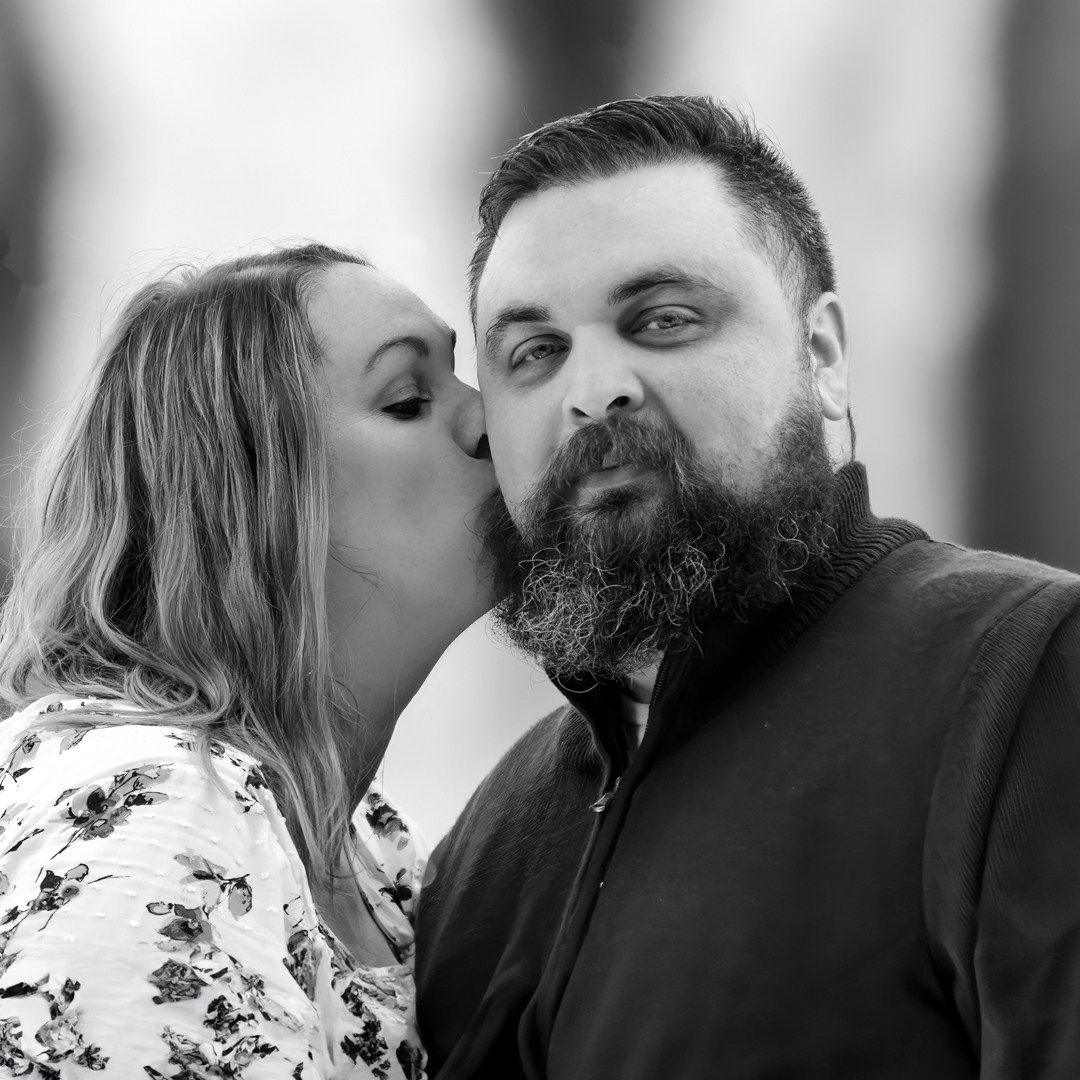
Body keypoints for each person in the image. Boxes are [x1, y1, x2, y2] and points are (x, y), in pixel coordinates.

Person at [413, 95, 1080, 1078]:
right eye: (535, 352)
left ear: (824, 359)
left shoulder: (1025, 678)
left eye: (664, 320)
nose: (594, 388)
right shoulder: (483, 845)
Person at [0, 242, 495, 1078]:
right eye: (409, 399)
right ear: (256, 502)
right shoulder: (152, 818)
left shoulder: (362, 841)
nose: (490, 417)